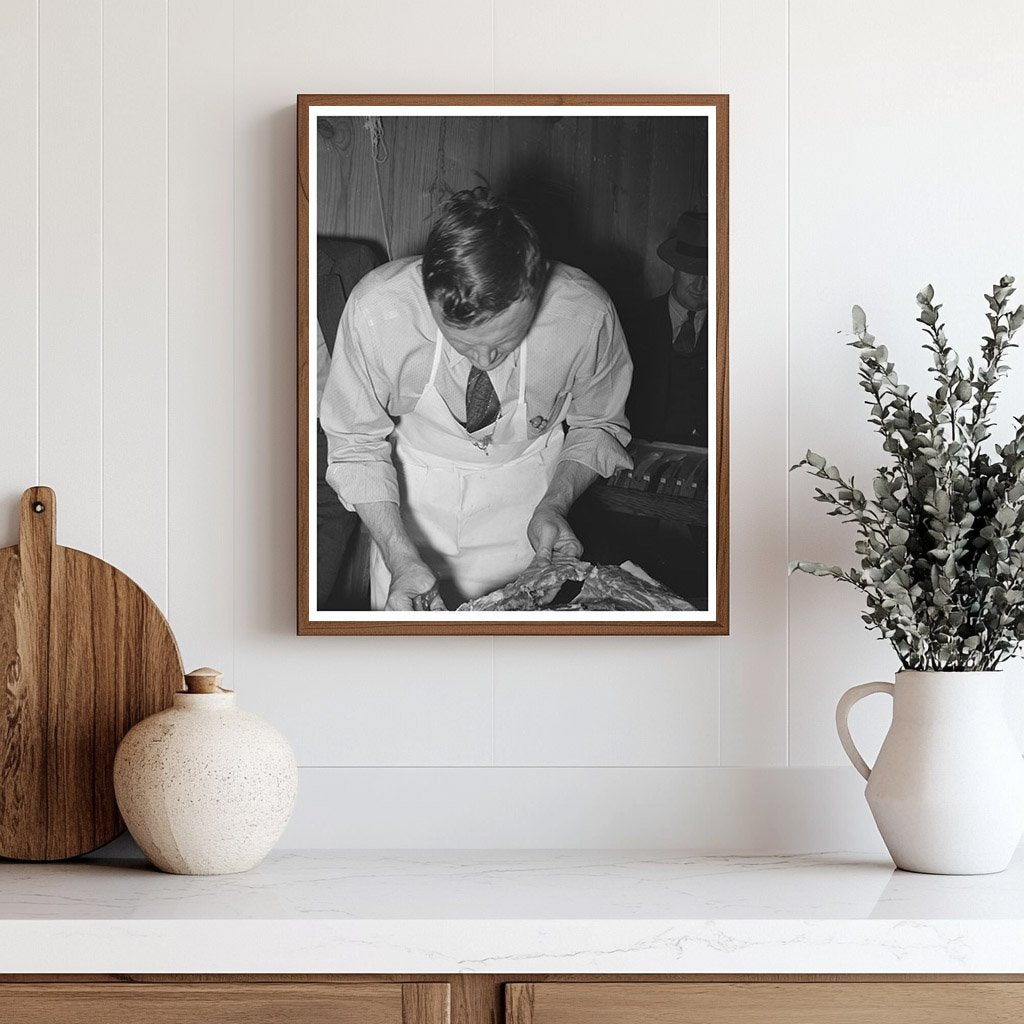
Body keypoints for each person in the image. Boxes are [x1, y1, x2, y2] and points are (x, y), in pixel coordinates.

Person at [319, 187, 633, 611]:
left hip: (527, 511)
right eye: (463, 343)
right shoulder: (379, 311)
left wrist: (555, 504)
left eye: (503, 342)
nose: (485, 360)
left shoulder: (584, 315)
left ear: (536, 287)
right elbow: (355, 445)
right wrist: (400, 557)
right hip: (409, 508)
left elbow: (598, 423)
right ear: (429, 294)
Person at [624, 210, 710, 445]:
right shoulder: (633, 321)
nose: (700, 285)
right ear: (673, 268)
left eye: (709, 273)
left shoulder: (734, 331)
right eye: (691, 270)